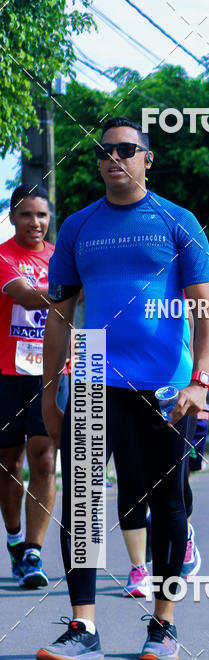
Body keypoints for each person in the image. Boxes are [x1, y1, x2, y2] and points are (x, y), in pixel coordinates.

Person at [37, 116, 209, 660]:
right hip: (94, 370)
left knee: (168, 502)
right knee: (83, 500)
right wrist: (49, 391)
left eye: (126, 149)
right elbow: (59, 316)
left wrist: (200, 380)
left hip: (166, 382)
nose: (114, 157)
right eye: (105, 150)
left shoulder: (178, 220)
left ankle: (163, 623)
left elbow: (205, 309)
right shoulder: (77, 226)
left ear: (146, 159)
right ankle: (83, 626)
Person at [0, 185, 58, 588]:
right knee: (9, 462)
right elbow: (26, 296)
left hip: (50, 373)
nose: (35, 222)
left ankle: (34, 552)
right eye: (26, 214)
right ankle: (14, 539)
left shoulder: (59, 258)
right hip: (7, 373)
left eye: (41, 215)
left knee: (44, 458)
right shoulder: (3, 257)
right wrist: (71, 291)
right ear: (12, 218)